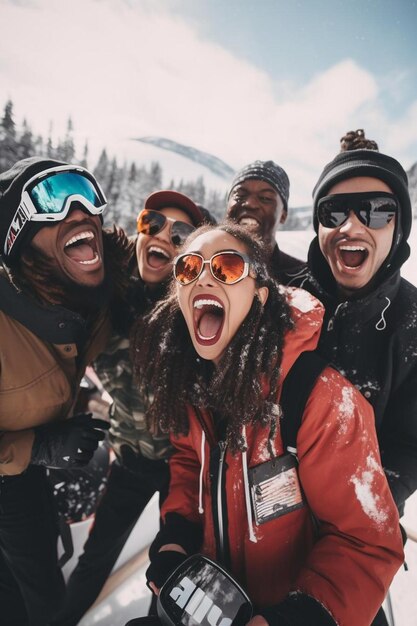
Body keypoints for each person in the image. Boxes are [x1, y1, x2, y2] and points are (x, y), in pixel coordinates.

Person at [131, 221, 403, 626]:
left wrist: (298, 618)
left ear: (259, 298)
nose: (203, 276)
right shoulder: (194, 384)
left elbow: (364, 541)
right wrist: (176, 540)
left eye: (224, 267)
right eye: (188, 268)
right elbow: (190, 462)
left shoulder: (321, 398)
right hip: (210, 607)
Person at [53, 191, 210, 626]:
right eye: (153, 222)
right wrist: (84, 402)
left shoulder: (194, 314)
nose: (163, 235)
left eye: (180, 234)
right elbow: (59, 364)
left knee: (176, 571)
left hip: (183, 468)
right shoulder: (101, 298)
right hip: (129, 457)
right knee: (96, 556)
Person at [0, 157, 131, 626]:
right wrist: (41, 447)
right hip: (14, 465)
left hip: (23, 470)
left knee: (36, 579)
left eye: (87, 191)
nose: (78, 208)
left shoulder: (87, 297)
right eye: (51, 197)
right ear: (17, 237)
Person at [280, 130, 417, 518]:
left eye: (377, 210)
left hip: (357, 528)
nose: (351, 228)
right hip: (269, 518)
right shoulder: (287, 300)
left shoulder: (413, 320)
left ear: (398, 227)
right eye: (334, 212)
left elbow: (410, 443)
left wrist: (368, 510)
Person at [226, 160, 302, 276]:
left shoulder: (300, 278)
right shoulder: (199, 266)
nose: (250, 203)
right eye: (240, 195)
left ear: (283, 215)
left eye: (265, 198)